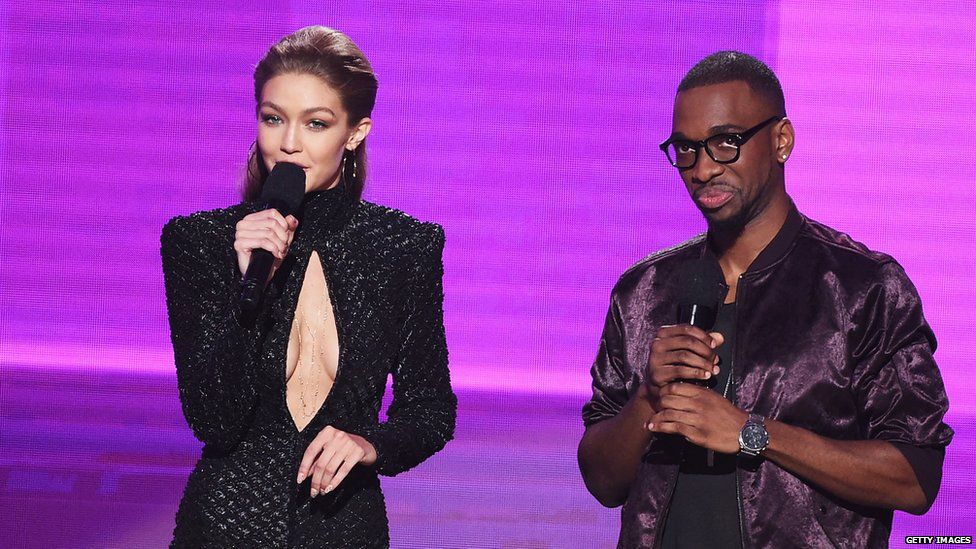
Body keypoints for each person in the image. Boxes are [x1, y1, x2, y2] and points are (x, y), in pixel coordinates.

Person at [578, 51, 952, 548]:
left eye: (725, 143)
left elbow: (915, 477)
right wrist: (647, 394)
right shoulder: (643, 291)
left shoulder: (863, 288)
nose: (703, 168)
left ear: (781, 141)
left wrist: (752, 433)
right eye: (686, 149)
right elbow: (604, 482)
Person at [160, 26, 456, 547]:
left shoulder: (403, 247)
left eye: (316, 123)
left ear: (355, 132)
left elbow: (430, 411)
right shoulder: (202, 243)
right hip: (223, 527)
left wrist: (371, 445)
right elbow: (214, 420)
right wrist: (249, 287)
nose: (289, 144)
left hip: (345, 528)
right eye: (273, 118)